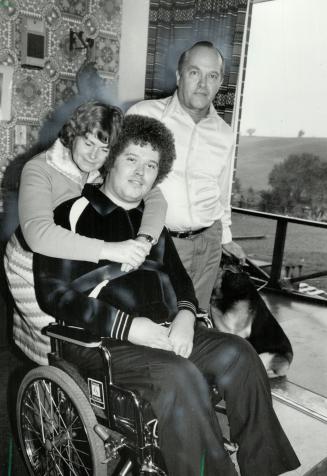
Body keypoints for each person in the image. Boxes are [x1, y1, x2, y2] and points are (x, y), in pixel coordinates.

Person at [33, 115, 300, 476]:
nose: (141, 173)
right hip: (101, 341)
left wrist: (187, 317)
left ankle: (265, 466)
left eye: (151, 165)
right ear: (110, 160)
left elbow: (181, 281)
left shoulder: (152, 220)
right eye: (131, 159)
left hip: (165, 332)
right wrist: (129, 327)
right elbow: (53, 295)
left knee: (240, 353)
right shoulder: (70, 214)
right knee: (178, 375)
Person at [4, 101, 167, 365]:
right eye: (88, 143)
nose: (93, 156)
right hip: (29, 260)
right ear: (72, 133)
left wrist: (144, 239)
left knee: (86, 333)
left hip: (77, 259)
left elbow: (157, 199)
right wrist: (111, 249)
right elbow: (38, 234)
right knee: (53, 345)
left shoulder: (101, 166)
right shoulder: (39, 169)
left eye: (104, 150)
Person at [127, 41, 246, 311]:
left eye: (212, 76)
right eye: (195, 73)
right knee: (157, 319)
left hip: (209, 244)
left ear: (220, 83)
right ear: (179, 76)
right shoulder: (144, 115)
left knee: (195, 319)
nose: (203, 84)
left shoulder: (225, 134)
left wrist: (225, 237)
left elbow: (222, 189)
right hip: (160, 243)